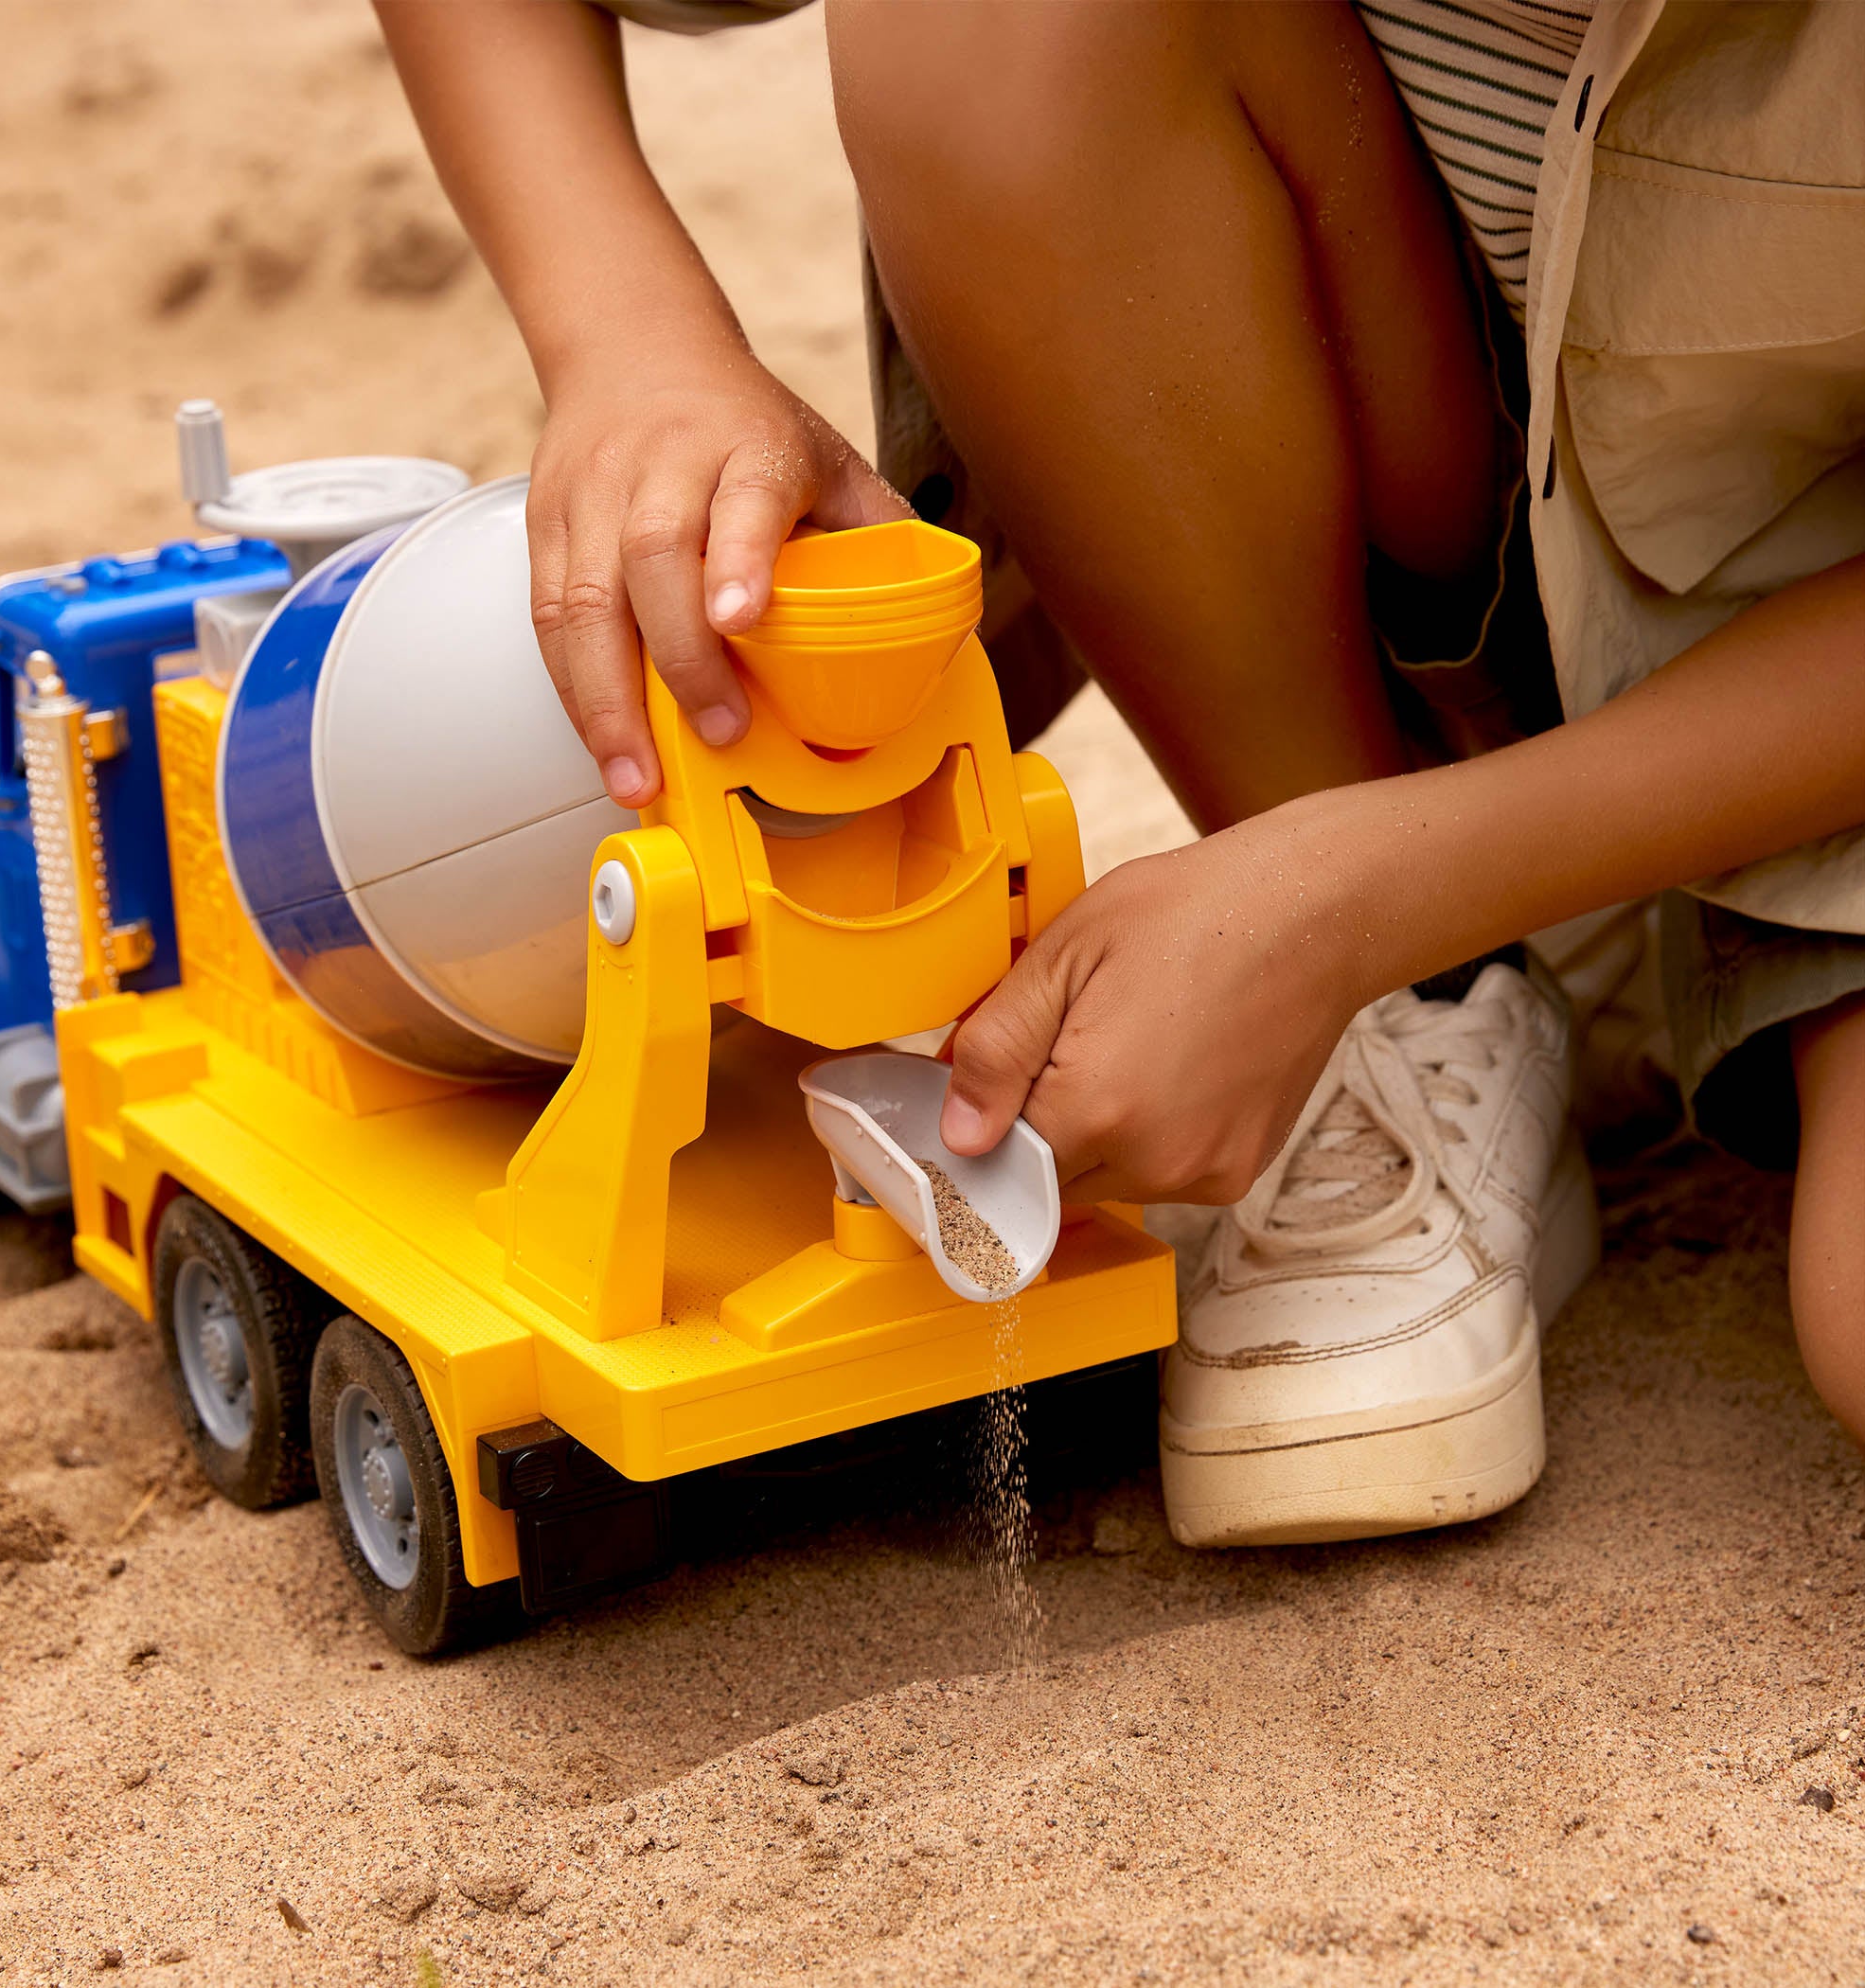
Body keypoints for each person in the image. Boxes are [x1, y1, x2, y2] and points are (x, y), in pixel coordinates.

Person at [373, 0, 1865, 1545]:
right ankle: (1424, 1002)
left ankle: (1426, 924)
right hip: (1447, 555)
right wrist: (634, 344)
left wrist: (1376, 887)